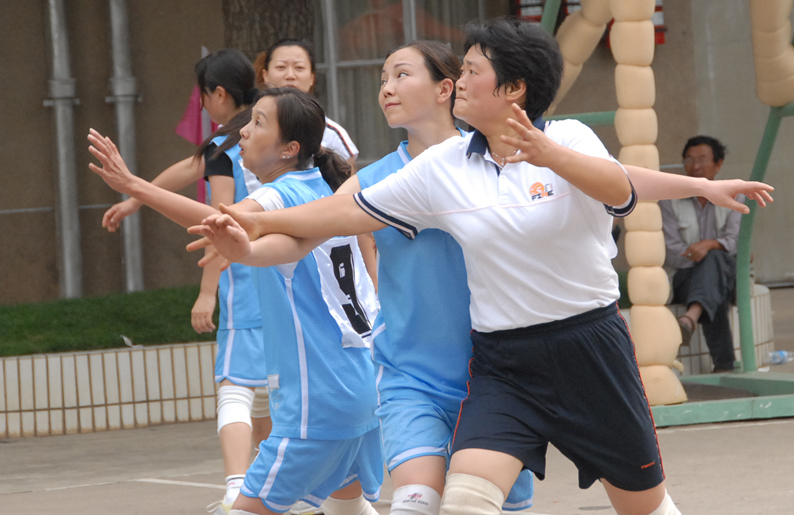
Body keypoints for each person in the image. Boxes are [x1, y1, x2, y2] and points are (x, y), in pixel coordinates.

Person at [197, 18, 774, 515]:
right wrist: (252, 224)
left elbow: (619, 185)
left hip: (589, 350)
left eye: (473, 70)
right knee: (466, 498)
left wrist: (691, 184)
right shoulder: (445, 164)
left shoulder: (570, 138)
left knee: (645, 505)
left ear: (514, 88)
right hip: (504, 363)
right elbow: (344, 210)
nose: (461, 80)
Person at [87, 88, 382, 515]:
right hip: (360, 383)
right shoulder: (326, 189)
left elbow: (221, 220)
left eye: (258, 123)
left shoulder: (281, 195)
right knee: (347, 508)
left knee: (244, 509)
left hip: (319, 399)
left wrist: (135, 187)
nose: (242, 131)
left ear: (289, 148)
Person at [102, 49, 270, 512]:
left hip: (246, 283)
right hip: (287, 273)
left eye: (203, 97)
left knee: (235, 387)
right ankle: (273, 487)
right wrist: (135, 197)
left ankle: (236, 489)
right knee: (270, 393)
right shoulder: (264, 133)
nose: (202, 106)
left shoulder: (226, 147)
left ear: (219, 94)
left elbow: (220, 222)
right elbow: (191, 166)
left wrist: (207, 292)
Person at [660, 136, 742, 373]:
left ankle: (691, 318)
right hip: (684, 277)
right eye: (689, 160)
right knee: (712, 278)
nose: (695, 166)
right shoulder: (669, 200)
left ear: (718, 164)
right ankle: (724, 366)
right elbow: (670, 252)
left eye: (702, 160)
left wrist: (709, 245)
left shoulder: (735, 196)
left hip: (729, 275)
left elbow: (735, 242)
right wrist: (702, 256)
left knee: (714, 263)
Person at [254, 39, 359, 171]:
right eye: (281, 67)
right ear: (265, 75)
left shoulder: (331, 135)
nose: (290, 75)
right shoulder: (246, 130)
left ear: (312, 78)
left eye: (299, 68)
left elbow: (348, 180)